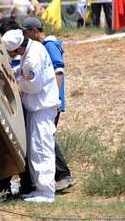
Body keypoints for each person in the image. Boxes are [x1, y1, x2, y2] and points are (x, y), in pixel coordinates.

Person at [1, 29, 58, 203]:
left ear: (17, 49)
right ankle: (40, 188)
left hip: (42, 108)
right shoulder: (35, 48)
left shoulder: (32, 59)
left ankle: (47, 193)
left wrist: (17, 84)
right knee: (36, 150)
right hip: (39, 107)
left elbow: (33, 86)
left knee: (42, 150)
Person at [21, 18, 76, 192]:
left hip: (51, 102)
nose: (25, 36)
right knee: (45, 138)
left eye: (26, 32)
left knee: (46, 138)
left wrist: (55, 99)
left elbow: (58, 72)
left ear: (35, 31)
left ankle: (63, 175)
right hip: (49, 101)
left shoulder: (49, 46)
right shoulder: (41, 47)